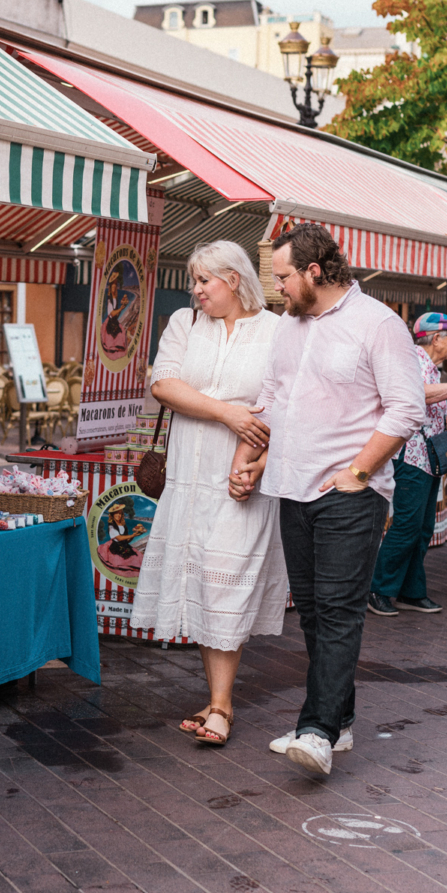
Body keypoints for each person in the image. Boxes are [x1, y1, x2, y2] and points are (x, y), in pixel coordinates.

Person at [228, 222, 425, 779]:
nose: (278, 289)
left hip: (349, 495)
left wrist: (359, 472)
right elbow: (275, 399)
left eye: (285, 277)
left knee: (338, 613)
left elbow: (406, 409)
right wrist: (250, 460)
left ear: (315, 271)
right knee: (314, 613)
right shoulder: (289, 328)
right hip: (291, 488)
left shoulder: (378, 325)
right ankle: (338, 722)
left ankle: (315, 731)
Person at [130, 240, 284, 747]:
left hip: (241, 479)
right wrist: (228, 411)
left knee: (227, 583)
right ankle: (219, 699)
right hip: (189, 478)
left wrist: (258, 465)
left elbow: (285, 407)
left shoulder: (278, 332)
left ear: (234, 280)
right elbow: (163, 384)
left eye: (204, 281)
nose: (194, 291)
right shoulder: (185, 324)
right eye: (193, 281)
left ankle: (221, 704)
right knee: (202, 584)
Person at [367, 313, 447, 617]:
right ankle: (379, 590)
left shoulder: (431, 366)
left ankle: (411, 590)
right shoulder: (413, 360)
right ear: (436, 338)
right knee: (407, 526)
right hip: (411, 456)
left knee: (422, 528)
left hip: (427, 456)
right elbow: (418, 394)